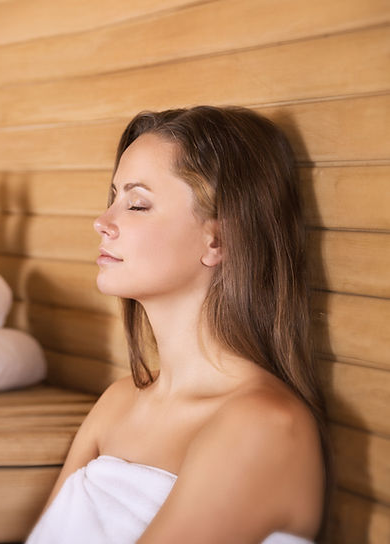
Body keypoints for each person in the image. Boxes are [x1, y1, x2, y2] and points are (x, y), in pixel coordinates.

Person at [26, 106, 331, 543]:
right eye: (113, 197)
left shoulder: (265, 426)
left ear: (219, 239)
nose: (103, 221)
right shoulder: (119, 402)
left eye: (136, 203)